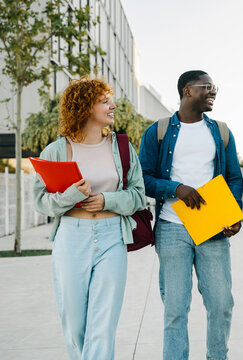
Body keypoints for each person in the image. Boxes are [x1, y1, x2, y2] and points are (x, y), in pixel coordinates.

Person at [33, 77, 146, 359]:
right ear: (85, 106)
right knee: (74, 323)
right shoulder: (56, 151)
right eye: (105, 100)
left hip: (112, 236)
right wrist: (71, 196)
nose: (113, 105)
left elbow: (138, 195)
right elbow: (41, 202)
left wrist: (108, 199)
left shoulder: (122, 147)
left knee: (103, 323)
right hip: (71, 236)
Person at [138, 70, 243, 360]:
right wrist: (176, 189)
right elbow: (143, 178)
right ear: (187, 91)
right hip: (172, 228)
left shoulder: (221, 131)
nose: (213, 92)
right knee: (175, 309)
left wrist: (232, 213)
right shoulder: (157, 131)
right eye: (207, 87)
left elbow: (234, 178)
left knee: (221, 304)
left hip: (212, 227)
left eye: (215, 87)